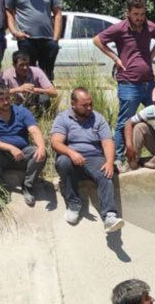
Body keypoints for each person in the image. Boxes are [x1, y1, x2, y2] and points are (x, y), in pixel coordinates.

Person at [94, 0, 155, 153]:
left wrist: (151, 55)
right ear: (128, 13)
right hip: (128, 83)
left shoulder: (150, 26)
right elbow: (97, 40)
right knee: (124, 122)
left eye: (142, 14)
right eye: (136, 15)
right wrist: (115, 58)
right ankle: (119, 157)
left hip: (149, 82)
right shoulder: (120, 28)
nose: (139, 18)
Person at [50, 87, 121, 231]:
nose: (89, 108)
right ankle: (74, 204)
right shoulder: (63, 118)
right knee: (63, 162)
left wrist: (109, 162)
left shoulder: (98, 118)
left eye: (91, 104)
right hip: (72, 158)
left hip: (94, 157)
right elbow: (55, 142)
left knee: (106, 172)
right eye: (84, 105)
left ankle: (110, 216)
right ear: (73, 104)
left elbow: (107, 142)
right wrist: (71, 153)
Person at [0, 83, 47, 205]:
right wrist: (10, 148)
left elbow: (34, 130)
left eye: (7, 98)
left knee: (39, 152)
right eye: (1, 100)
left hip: (22, 154)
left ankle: (28, 186)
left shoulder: (21, 112)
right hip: (0, 156)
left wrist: (41, 147)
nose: (6, 102)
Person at [4, 0, 62, 80]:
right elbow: (9, 11)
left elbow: (58, 13)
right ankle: (29, 98)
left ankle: (45, 98)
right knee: (27, 74)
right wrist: (15, 32)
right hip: (26, 40)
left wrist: (55, 39)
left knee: (47, 75)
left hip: (47, 39)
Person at [1, 50, 58, 115]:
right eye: (21, 65)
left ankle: (39, 119)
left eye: (27, 64)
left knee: (44, 98)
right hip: (15, 106)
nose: (25, 68)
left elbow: (54, 93)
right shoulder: (6, 75)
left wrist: (35, 90)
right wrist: (19, 89)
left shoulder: (36, 71)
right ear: (14, 65)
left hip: (34, 104)